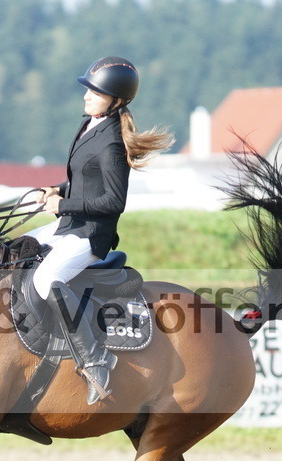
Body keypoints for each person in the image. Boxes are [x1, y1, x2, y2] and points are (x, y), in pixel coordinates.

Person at [28, 57, 173, 405]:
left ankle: (95, 359)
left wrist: (62, 206)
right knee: (19, 248)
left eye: (96, 91)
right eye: (89, 89)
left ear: (115, 99)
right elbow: (83, 180)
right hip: (70, 224)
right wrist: (56, 190)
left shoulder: (110, 142)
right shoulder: (90, 125)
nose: (87, 96)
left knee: (45, 280)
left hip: (90, 235)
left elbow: (112, 201)